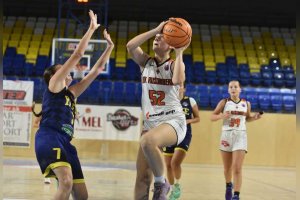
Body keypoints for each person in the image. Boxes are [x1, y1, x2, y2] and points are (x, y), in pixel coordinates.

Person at [34, 10, 114, 200]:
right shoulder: (54, 86)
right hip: (49, 138)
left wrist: (109, 47)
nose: (67, 70)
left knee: (82, 195)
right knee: (66, 182)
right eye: (62, 69)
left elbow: (96, 70)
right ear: (54, 75)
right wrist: (91, 29)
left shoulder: (72, 93)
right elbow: (78, 54)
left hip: (66, 143)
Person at [126, 19, 190, 200]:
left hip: (173, 121)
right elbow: (130, 46)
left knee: (146, 141)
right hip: (151, 124)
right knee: (142, 177)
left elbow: (178, 80)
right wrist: (155, 29)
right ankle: (158, 185)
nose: (157, 39)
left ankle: (162, 183)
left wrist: (180, 52)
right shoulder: (146, 62)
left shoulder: (174, 64)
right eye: (157, 37)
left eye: (162, 38)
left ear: (170, 45)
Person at [210, 80, 263, 200]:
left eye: (235, 87)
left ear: (240, 89)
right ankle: (229, 186)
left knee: (237, 167)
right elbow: (212, 117)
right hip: (226, 136)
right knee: (227, 168)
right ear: (228, 90)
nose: (233, 88)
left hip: (240, 135)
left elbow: (248, 118)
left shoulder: (246, 103)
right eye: (231, 87)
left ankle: (236, 195)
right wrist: (221, 116)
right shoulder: (224, 102)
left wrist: (255, 117)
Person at [162, 83, 200, 200]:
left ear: (184, 88)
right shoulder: (168, 101)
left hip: (184, 134)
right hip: (170, 134)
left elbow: (198, 118)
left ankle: (177, 185)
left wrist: (187, 121)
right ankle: (173, 188)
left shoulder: (190, 101)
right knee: (168, 165)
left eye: (180, 85)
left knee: (175, 163)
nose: (178, 87)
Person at [32, 102, 52, 184]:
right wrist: (43, 126)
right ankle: (47, 176)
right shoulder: (44, 112)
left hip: (55, 137)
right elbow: (35, 124)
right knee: (46, 156)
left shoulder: (59, 112)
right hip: (44, 136)